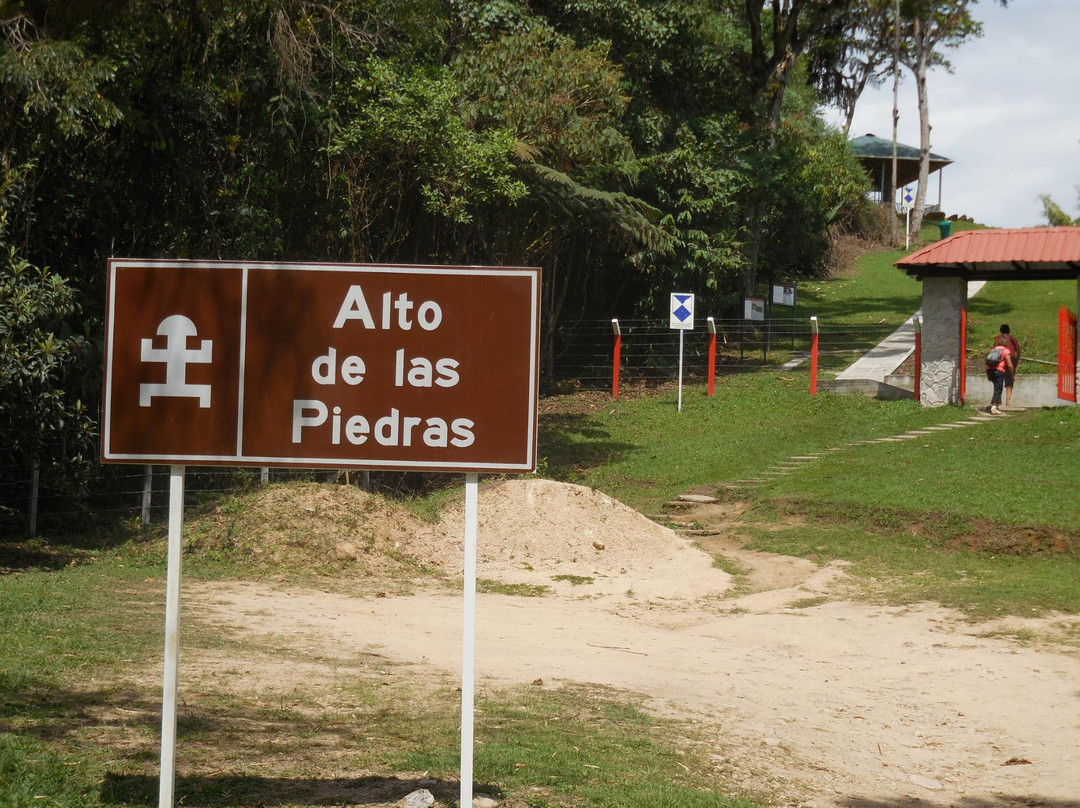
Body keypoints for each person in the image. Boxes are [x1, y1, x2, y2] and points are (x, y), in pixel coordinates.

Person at [986, 334, 1014, 415]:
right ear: (1006, 343)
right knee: (998, 388)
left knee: (996, 387)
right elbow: (1009, 364)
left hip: (990, 370)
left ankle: (995, 405)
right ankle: (994, 408)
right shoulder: (1005, 350)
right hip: (999, 371)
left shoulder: (993, 350)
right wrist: (1012, 374)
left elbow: (987, 362)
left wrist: (988, 374)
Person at [998, 324, 1021, 406]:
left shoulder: (998, 338)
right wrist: (1017, 358)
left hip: (1000, 359)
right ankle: (1008, 401)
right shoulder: (1012, 338)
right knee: (1009, 380)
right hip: (1011, 358)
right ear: (1008, 330)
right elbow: (1018, 350)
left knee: (999, 379)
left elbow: (994, 348)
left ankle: (998, 398)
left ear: (1000, 330)